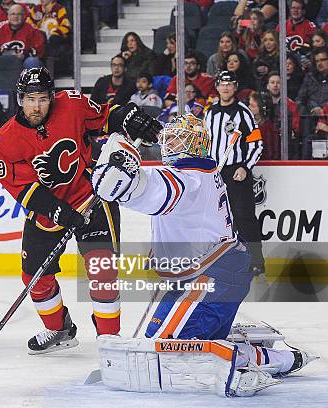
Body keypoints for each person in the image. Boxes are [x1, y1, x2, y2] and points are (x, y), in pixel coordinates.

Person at [92, 112, 314, 397]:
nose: (167, 144)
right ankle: (276, 358)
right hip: (221, 273)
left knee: (162, 350)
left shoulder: (185, 181)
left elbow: (119, 187)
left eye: (175, 138)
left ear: (193, 145)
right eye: (168, 137)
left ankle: (253, 363)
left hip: (210, 279)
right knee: (173, 343)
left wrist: (118, 152)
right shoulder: (204, 173)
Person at [0, 67, 159, 354]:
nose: (36, 106)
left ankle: (110, 341)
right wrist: (58, 211)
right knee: (35, 278)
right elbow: (23, 189)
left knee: (102, 271)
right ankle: (59, 329)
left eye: (42, 98)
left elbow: (105, 117)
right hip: (47, 212)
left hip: (91, 196)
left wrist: (127, 118)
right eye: (30, 99)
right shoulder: (5, 141)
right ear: (20, 100)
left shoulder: (71, 105)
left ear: (52, 97)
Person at [204, 71, 264, 275]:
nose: (226, 87)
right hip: (215, 174)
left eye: (230, 84)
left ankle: (256, 261)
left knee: (244, 217)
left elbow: (256, 144)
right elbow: (205, 144)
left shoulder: (243, 112)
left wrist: (245, 167)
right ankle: (222, 260)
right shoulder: (210, 113)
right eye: (222, 84)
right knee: (217, 220)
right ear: (217, 87)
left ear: (235, 87)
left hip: (237, 172)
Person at [0, 4, 45, 68]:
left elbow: (39, 52)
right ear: (8, 16)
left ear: (24, 16)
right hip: (4, 63)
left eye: (19, 14)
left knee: (32, 61)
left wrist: (24, 56)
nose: (15, 16)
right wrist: (4, 53)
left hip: (25, 63)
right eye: (13, 14)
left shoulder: (33, 31)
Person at [27, 0, 72, 75]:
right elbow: (29, 25)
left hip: (55, 39)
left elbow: (66, 26)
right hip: (39, 39)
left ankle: (51, 73)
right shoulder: (35, 9)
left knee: (53, 39)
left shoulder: (59, 8)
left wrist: (54, 33)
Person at [248, 91, 279, 160]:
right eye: (249, 105)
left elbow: (271, 153)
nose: (248, 108)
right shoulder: (246, 124)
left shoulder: (268, 128)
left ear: (262, 108)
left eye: (252, 106)